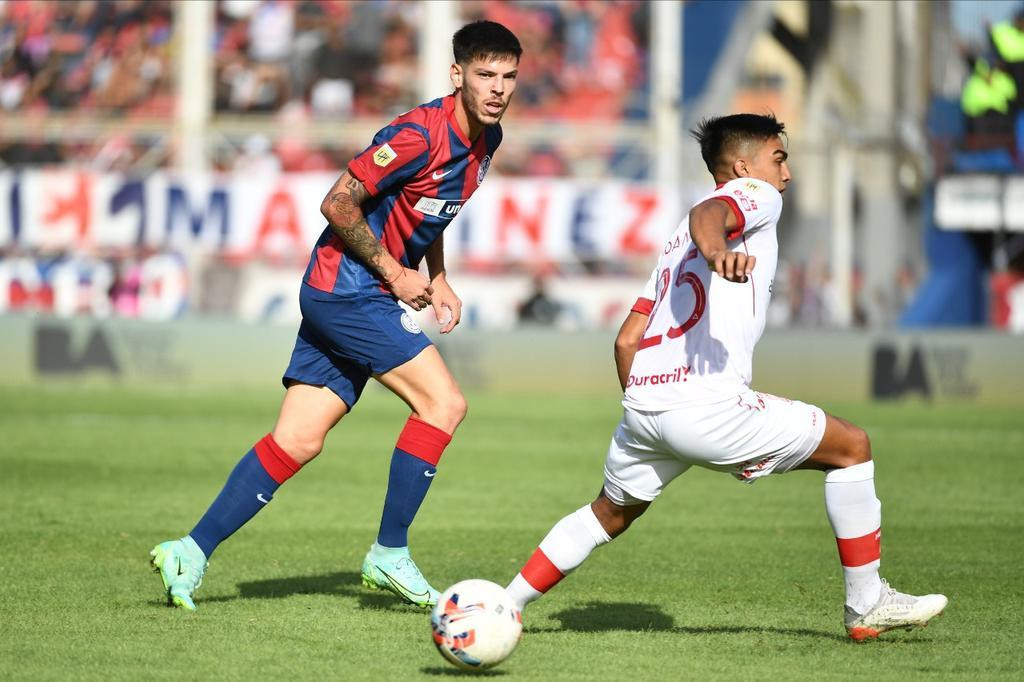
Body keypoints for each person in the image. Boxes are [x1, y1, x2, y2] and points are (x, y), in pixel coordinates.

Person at [504, 114, 948, 641]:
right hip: (706, 405)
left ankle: (502, 604)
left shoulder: (674, 243)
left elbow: (626, 339)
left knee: (609, 513)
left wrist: (650, 409)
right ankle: (866, 604)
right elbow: (712, 210)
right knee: (852, 446)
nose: (786, 172)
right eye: (778, 157)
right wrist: (719, 253)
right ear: (743, 167)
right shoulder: (753, 197)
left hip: (645, 403)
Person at [150, 20, 522, 611]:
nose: (497, 88)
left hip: (354, 291)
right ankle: (389, 553)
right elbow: (337, 200)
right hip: (347, 290)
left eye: (507, 77)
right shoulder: (415, 135)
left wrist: (439, 275)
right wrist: (396, 274)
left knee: (297, 439)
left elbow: (431, 211)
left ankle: (188, 551)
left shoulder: (488, 138)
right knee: (444, 404)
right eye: (484, 75)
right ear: (457, 75)